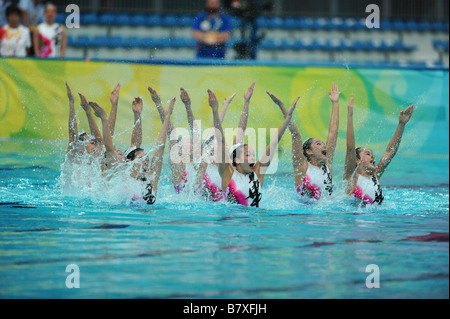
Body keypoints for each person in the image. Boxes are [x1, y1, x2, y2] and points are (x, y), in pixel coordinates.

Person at [208, 87, 299, 207]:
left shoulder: (257, 173)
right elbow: (221, 141)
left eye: (253, 155)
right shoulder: (228, 174)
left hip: (254, 223)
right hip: (231, 224)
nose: (252, 158)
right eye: (247, 155)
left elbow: (274, 142)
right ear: (236, 160)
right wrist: (215, 111)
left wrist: (287, 118)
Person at [266, 83, 340, 202]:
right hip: (305, 217)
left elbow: (333, 132)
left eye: (323, 143)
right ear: (308, 151)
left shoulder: (327, 165)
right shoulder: (302, 167)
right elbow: (295, 134)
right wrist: (282, 106)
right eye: (318, 143)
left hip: (326, 217)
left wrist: (335, 103)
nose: (324, 145)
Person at [344, 96, 415, 205]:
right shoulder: (351, 177)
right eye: (367, 154)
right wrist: (350, 116)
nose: (373, 157)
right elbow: (350, 149)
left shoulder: (375, 176)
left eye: (372, 155)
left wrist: (401, 124)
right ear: (357, 160)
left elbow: (389, 153)